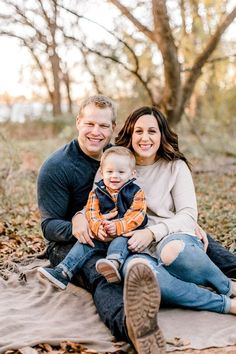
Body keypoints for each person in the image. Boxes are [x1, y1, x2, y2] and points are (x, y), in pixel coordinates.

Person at [37, 95, 236, 354]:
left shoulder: (119, 159)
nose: (96, 132)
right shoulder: (57, 167)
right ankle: (133, 326)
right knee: (104, 275)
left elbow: (174, 211)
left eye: (104, 126)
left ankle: (226, 283)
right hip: (77, 240)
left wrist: (184, 224)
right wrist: (79, 221)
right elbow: (50, 226)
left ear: (114, 129)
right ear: (78, 123)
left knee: (192, 241)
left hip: (132, 233)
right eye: (89, 124)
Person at [115, 105, 236, 315]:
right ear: (130, 134)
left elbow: (188, 215)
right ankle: (225, 304)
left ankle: (228, 287)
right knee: (142, 276)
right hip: (133, 246)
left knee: (173, 252)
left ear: (162, 135)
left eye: (152, 131)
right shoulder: (114, 166)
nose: (145, 138)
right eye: (139, 131)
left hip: (171, 237)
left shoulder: (175, 166)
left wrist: (152, 232)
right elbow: (98, 205)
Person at [38, 146, 147, 288]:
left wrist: (118, 226)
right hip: (101, 234)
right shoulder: (96, 193)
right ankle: (63, 272)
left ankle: (112, 264)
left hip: (123, 233)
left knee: (121, 241)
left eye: (121, 172)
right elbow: (91, 213)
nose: (115, 176)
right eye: (110, 171)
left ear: (132, 174)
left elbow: (137, 214)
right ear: (102, 173)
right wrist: (97, 227)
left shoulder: (136, 192)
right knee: (84, 244)